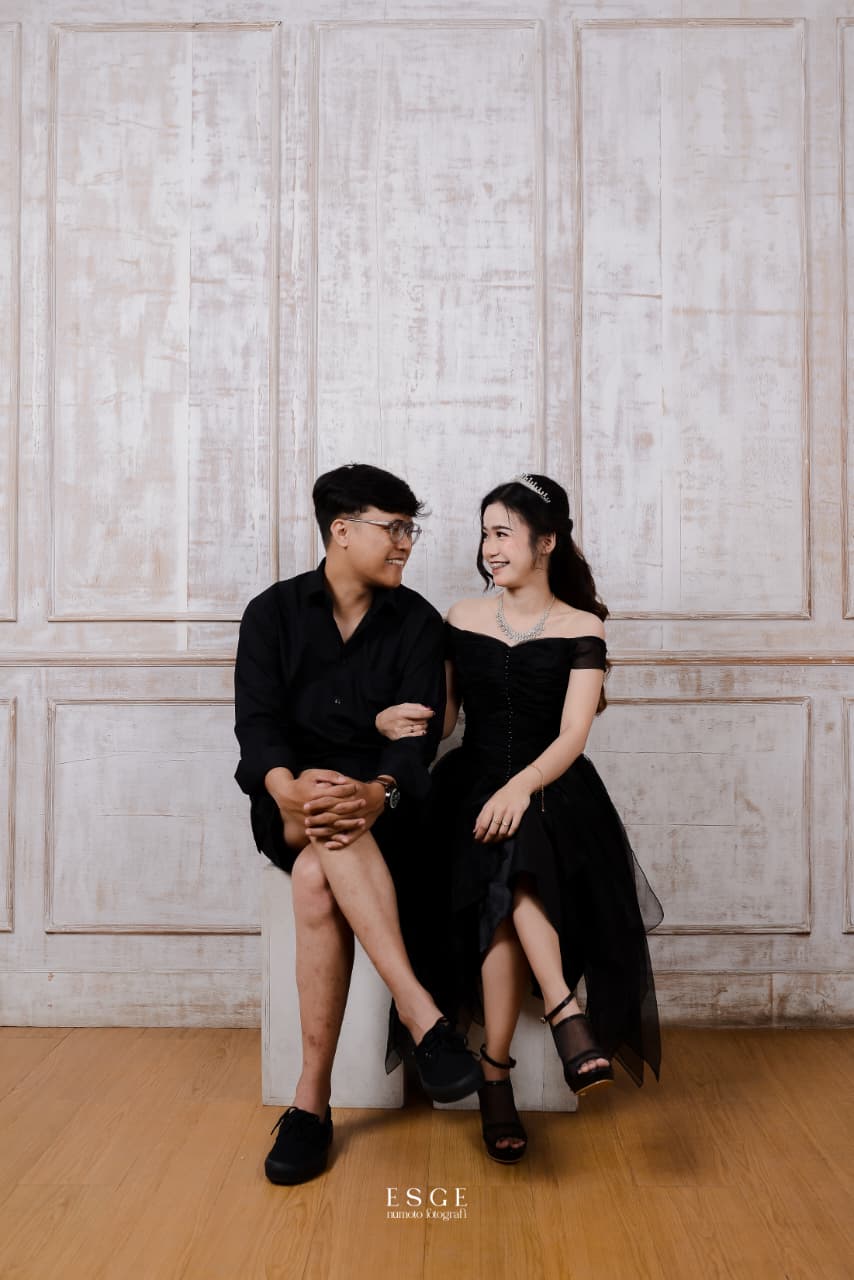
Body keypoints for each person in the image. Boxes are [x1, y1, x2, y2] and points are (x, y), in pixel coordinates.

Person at [377, 473, 662, 1164]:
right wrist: (387, 723)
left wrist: (519, 788)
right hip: (468, 785)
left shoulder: (582, 627)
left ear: (547, 541)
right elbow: (446, 720)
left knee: (515, 845)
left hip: (552, 786)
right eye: (485, 534)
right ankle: (564, 1012)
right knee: (504, 855)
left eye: (503, 533)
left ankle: (495, 1074)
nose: (490, 548)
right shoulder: (460, 616)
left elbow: (572, 737)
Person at [234, 463, 483, 1186]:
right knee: (324, 815)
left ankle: (310, 1102)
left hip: (387, 807)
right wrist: (287, 789)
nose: (406, 542)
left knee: (319, 870)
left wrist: (378, 788)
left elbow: (417, 741)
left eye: (411, 529)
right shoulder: (272, 614)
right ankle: (424, 1017)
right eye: (393, 527)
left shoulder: (418, 622)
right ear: (341, 531)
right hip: (289, 803)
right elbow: (259, 728)